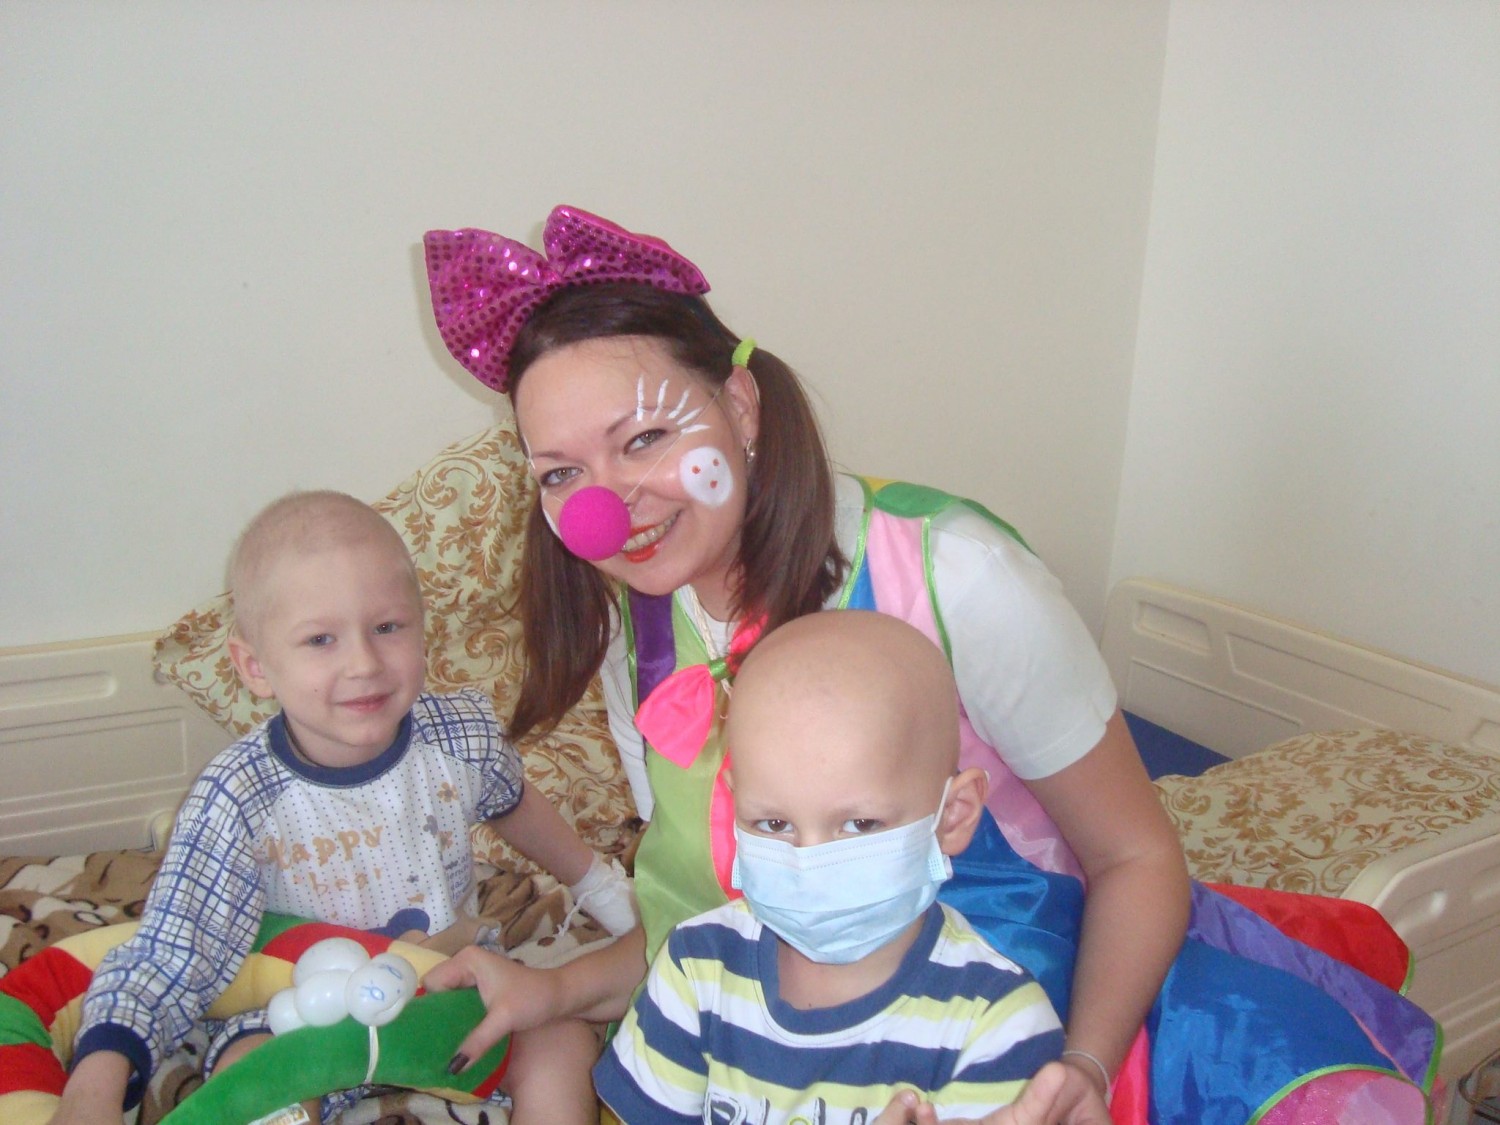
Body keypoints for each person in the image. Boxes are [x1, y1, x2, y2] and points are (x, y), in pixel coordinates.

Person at [419, 206, 1440, 1123]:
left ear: (741, 404)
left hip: (1030, 1015)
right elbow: (718, 929)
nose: (608, 507)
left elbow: (1136, 857)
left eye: (644, 437)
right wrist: (553, 990)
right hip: (809, 1056)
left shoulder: (958, 572)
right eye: (563, 473)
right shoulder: (634, 637)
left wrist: (1082, 1068)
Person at [47, 490, 634, 1125]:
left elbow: (512, 801)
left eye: (387, 628)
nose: (363, 664)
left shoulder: (457, 737)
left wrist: (604, 891)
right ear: (255, 666)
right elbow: (171, 951)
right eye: (320, 639)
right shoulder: (237, 798)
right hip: (297, 1016)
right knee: (250, 1071)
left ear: (423, 627)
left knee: (563, 1041)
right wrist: (94, 1087)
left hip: (446, 990)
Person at [595, 610, 1113, 1125]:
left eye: (859, 824)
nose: (808, 863)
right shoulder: (695, 968)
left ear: (952, 816)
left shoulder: (999, 1029)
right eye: (773, 823)